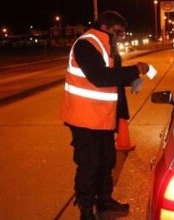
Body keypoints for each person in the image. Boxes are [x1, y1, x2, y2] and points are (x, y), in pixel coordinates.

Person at [60, 11, 149, 220]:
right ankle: (86, 211)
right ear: (106, 28)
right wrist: (134, 70)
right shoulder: (86, 44)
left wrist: (132, 80)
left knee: (106, 161)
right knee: (89, 165)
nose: (121, 37)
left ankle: (104, 203)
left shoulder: (109, 48)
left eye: (123, 34)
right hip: (84, 118)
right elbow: (99, 77)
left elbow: (112, 78)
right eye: (119, 32)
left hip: (102, 117)